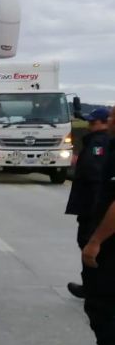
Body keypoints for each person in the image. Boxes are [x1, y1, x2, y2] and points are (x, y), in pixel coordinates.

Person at [66, 108, 113, 299]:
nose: (90, 126)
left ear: (104, 123)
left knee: (89, 244)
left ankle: (92, 287)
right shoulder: (98, 141)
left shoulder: (99, 142)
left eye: (94, 123)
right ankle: (92, 285)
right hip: (92, 204)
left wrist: (95, 207)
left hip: (92, 206)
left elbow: (95, 174)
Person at [81, 106, 115, 345]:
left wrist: (95, 241)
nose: (109, 121)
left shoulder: (104, 145)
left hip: (110, 245)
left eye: (113, 117)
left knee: (103, 308)